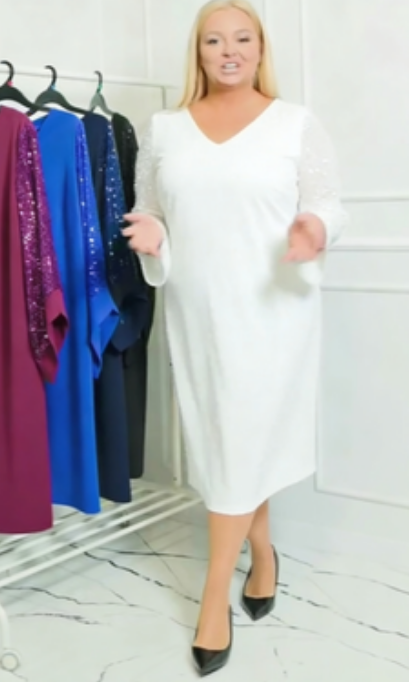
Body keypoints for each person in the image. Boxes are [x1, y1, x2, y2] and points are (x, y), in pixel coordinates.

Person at [123, 0, 348, 676]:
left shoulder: (294, 122)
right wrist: (152, 235)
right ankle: (264, 552)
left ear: (259, 49)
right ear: (198, 52)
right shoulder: (164, 129)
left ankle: (212, 597)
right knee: (232, 441)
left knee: (241, 442)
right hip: (199, 313)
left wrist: (315, 228)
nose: (229, 50)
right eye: (214, 40)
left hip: (274, 312)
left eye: (242, 38)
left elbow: (327, 202)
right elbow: (150, 209)